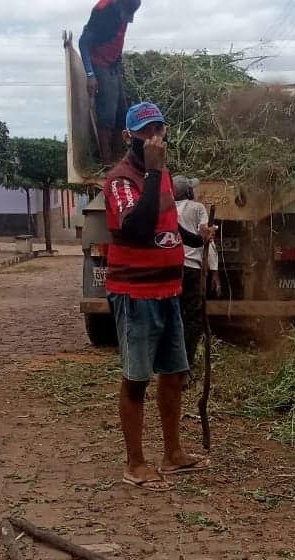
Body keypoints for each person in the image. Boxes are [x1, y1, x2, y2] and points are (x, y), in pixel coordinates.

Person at [103, 101, 215, 488]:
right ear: (128, 136)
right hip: (136, 295)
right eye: (145, 131)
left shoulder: (162, 175)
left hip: (169, 292)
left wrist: (195, 238)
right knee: (137, 379)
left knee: (174, 373)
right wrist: (151, 172)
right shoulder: (120, 180)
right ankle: (135, 463)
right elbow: (136, 227)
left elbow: (167, 226)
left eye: (158, 129)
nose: (153, 137)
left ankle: (173, 454)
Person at [79, 0, 141, 164]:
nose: (127, 19)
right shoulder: (101, 11)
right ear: (118, 5)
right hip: (100, 65)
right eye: (125, 13)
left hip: (114, 65)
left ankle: (118, 160)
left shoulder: (127, 8)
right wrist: (90, 74)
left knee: (122, 114)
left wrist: (119, 62)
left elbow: (117, 39)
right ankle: (106, 162)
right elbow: (83, 42)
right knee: (107, 116)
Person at [173, 175, 222, 370]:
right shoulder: (197, 208)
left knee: (175, 315)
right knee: (193, 317)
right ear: (188, 192)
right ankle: (186, 363)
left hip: (172, 269)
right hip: (191, 270)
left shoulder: (166, 210)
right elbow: (206, 239)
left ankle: (172, 361)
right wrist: (215, 272)